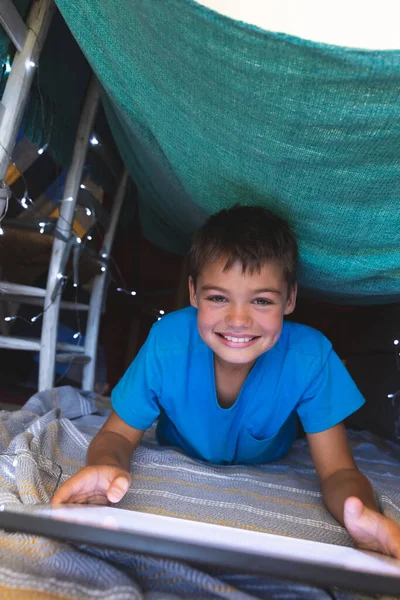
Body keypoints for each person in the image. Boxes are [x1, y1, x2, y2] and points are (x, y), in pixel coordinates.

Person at [52, 205, 400, 559]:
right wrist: (105, 466)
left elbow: (339, 470)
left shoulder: (310, 357)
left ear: (290, 299)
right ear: (193, 293)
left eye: (261, 300)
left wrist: (362, 514)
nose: (238, 320)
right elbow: (115, 435)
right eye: (218, 298)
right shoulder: (167, 342)